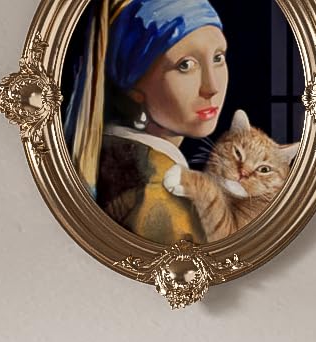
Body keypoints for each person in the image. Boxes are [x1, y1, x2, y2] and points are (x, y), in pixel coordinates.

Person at [61, 1, 229, 245]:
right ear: (134, 84)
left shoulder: (107, 151)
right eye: (185, 65)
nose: (211, 87)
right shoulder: (160, 194)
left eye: (218, 58)